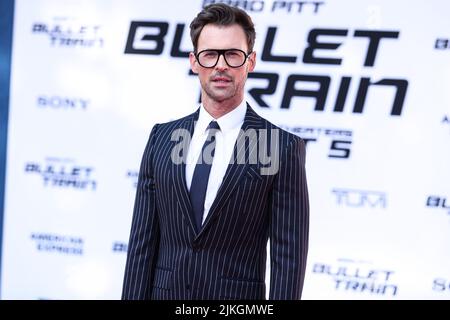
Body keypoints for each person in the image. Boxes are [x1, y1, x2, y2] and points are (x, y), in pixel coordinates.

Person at [122, 3, 309, 300]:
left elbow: (289, 260)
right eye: (210, 55)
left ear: (251, 61)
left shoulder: (280, 147)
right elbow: (141, 245)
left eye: (233, 54)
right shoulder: (162, 137)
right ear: (194, 61)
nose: (221, 65)